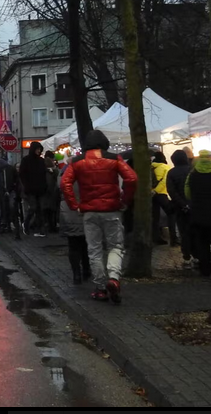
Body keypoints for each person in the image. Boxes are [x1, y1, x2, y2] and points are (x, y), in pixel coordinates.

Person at [61, 130, 137, 304]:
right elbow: (131, 178)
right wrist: (125, 200)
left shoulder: (76, 162)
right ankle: (114, 277)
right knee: (115, 246)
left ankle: (100, 288)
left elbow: (65, 183)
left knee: (94, 250)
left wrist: (75, 205)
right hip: (112, 209)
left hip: (89, 211)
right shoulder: (114, 159)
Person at [184, 149, 211, 278]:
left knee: (202, 244)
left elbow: (187, 193)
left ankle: (205, 270)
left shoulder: (191, 176)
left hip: (198, 215)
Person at [59, 159, 91, 285]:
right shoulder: (86, 176)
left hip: (68, 212)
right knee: (86, 244)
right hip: (84, 211)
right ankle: (86, 270)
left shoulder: (63, 175)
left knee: (73, 245)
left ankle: (76, 274)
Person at [166, 149, 195, 269]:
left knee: (184, 233)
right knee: (195, 232)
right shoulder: (192, 171)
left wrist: (182, 205)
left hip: (180, 208)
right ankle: (198, 255)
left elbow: (171, 191)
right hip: (194, 206)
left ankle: (187, 257)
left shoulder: (171, 173)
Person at [19, 142, 49, 236]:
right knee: (33, 208)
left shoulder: (41, 161)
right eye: (37, 149)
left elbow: (43, 174)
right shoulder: (26, 160)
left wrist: (44, 186)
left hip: (40, 189)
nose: (38, 151)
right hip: (31, 189)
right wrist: (26, 186)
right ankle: (26, 224)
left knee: (40, 209)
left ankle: (41, 229)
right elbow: (22, 174)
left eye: (39, 149)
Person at [151, 151, 172, 246]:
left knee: (155, 217)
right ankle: (173, 237)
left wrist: (152, 191)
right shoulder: (165, 167)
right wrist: (156, 191)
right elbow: (164, 181)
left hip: (151, 194)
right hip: (161, 194)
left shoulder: (151, 166)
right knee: (172, 214)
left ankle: (156, 237)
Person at [43, 150, 61, 233]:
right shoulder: (52, 168)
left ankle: (48, 225)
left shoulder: (43, 166)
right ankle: (52, 226)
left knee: (47, 211)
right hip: (52, 192)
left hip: (46, 192)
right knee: (52, 210)